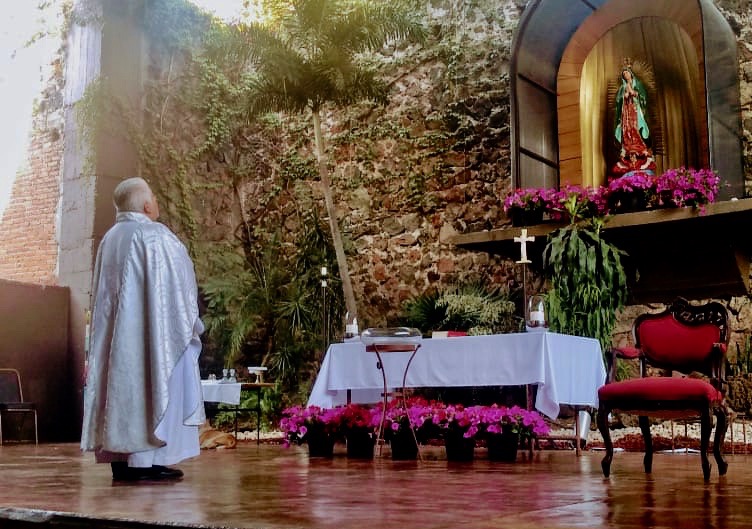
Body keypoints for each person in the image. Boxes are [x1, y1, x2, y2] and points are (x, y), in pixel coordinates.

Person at [81, 177, 205, 482]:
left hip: (115, 341)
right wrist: (190, 324)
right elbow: (179, 285)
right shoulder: (154, 235)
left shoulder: (110, 238)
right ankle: (147, 461)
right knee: (153, 386)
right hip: (149, 337)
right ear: (147, 205)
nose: (157, 202)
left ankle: (121, 460)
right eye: (154, 197)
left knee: (120, 391)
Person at [611, 63, 656, 176]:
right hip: (626, 113)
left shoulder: (638, 84)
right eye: (624, 74)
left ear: (631, 74)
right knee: (626, 130)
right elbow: (618, 102)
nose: (626, 75)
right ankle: (628, 147)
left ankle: (642, 148)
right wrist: (624, 96)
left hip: (636, 111)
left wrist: (634, 93)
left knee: (639, 128)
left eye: (627, 73)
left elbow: (643, 97)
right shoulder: (622, 87)